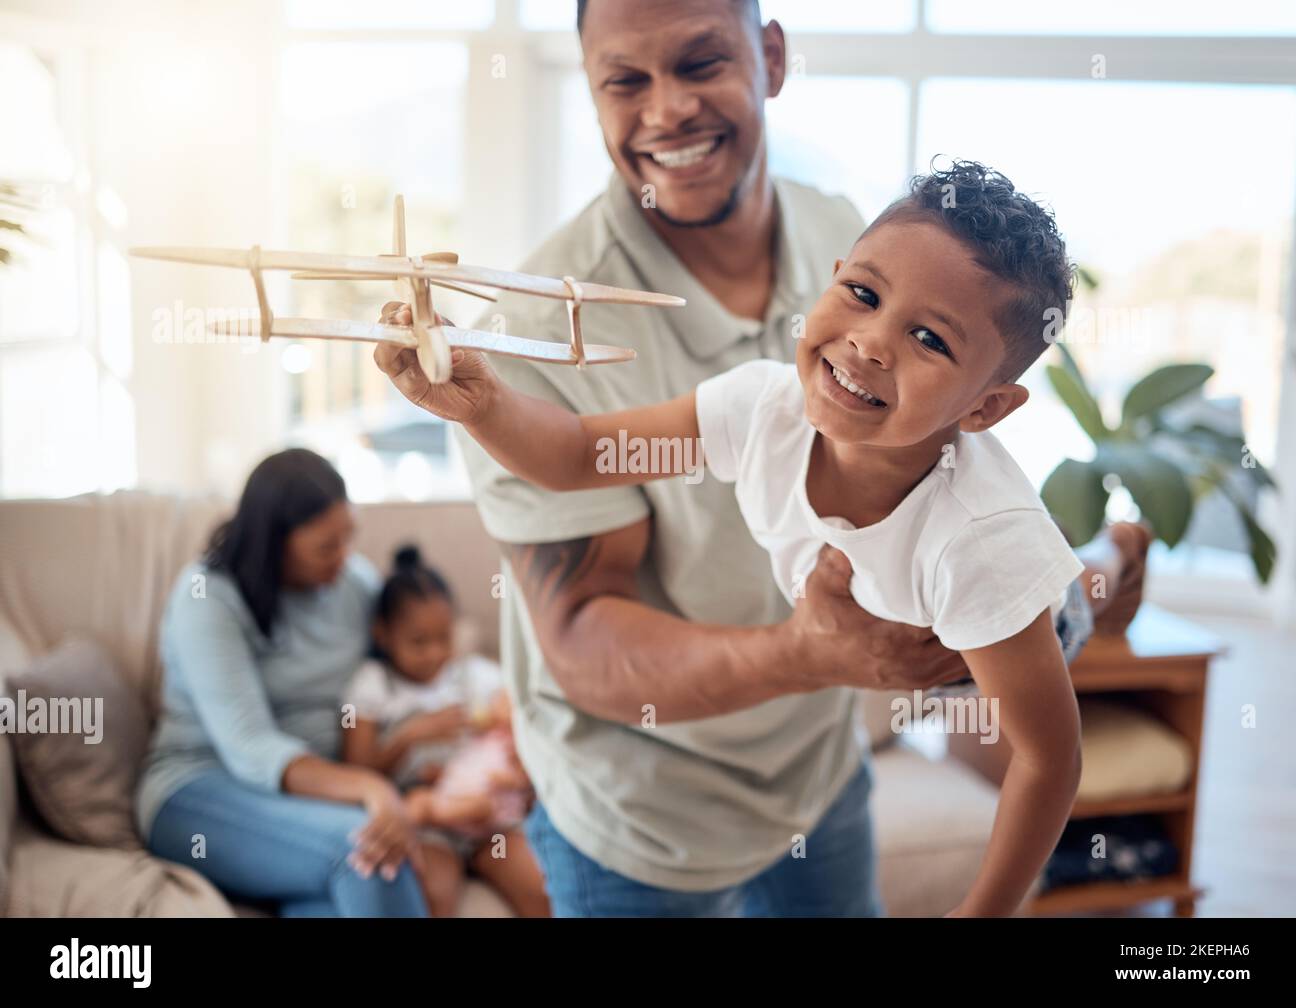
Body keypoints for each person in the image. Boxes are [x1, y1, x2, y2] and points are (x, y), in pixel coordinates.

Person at [374, 0, 1147, 916]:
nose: (866, 344)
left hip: (830, 758)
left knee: (1057, 605)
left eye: (928, 340)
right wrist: (484, 400)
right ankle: (1099, 569)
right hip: (638, 813)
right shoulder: (757, 402)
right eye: (858, 294)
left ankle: (1098, 570)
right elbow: (580, 454)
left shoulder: (981, 542)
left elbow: (1049, 758)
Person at [137, 449, 485, 916]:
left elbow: (407, 672)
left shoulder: (353, 586)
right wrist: (370, 789)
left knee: (337, 902)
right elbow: (250, 747)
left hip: (313, 806)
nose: (343, 558)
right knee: (366, 852)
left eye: (348, 538)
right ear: (273, 542)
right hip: (199, 791)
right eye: (326, 546)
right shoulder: (207, 598)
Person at [341, 544, 549, 917]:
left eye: (443, 638)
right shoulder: (372, 686)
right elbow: (357, 770)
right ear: (382, 634)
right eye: (419, 642)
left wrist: (517, 747)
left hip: (488, 819)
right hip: (427, 821)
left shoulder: (472, 675)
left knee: (542, 890)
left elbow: (516, 714)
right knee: (431, 896)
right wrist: (408, 736)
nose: (435, 653)